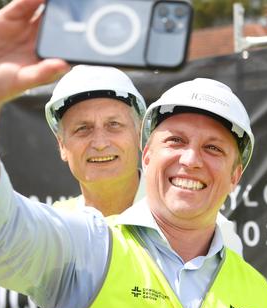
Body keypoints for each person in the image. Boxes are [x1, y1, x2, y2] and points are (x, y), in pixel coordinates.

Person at [0, 0, 267, 308]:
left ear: (236, 175)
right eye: (175, 141)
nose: (191, 159)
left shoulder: (266, 302)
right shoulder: (87, 247)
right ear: (147, 154)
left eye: (213, 147)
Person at [46, 64, 243, 255]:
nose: (100, 143)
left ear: (139, 133)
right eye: (83, 128)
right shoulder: (53, 226)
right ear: (62, 145)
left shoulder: (211, 235)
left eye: (114, 124)